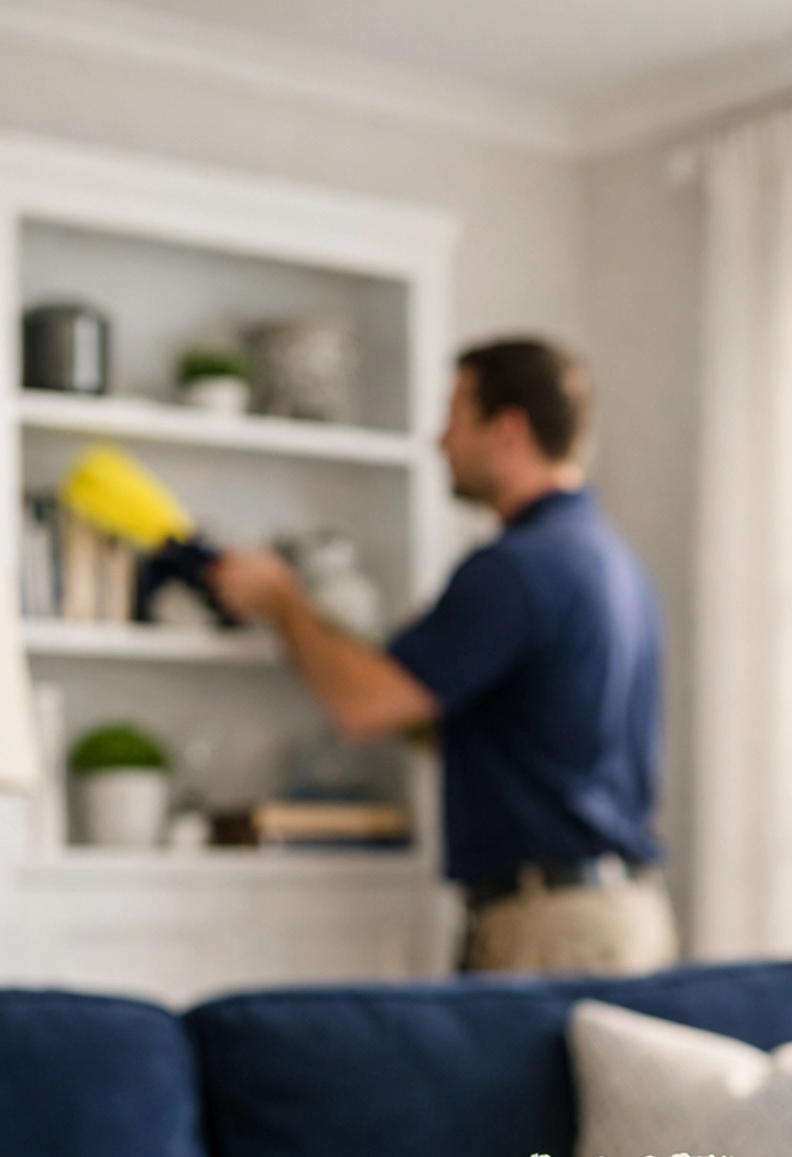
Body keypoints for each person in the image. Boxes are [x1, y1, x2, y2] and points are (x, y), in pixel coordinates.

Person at [208, 337, 677, 975]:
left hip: (552, 926)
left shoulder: (514, 570)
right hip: (620, 912)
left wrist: (282, 601)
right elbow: (525, 730)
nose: (438, 442)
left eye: (454, 418)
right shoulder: (611, 562)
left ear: (506, 431)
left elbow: (365, 705)